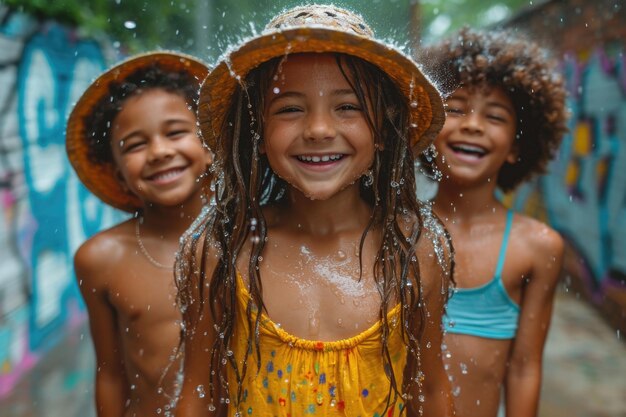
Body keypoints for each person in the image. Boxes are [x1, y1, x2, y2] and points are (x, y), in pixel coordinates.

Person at [174, 5, 455, 417]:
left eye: (348, 107)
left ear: (383, 129)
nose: (319, 129)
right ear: (257, 132)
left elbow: (429, 392)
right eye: (290, 108)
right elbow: (198, 396)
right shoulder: (223, 250)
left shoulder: (416, 251)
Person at [422, 28, 568, 417]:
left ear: (518, 146)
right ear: (426, 126)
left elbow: (524, 368)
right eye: (455, 108)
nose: (472, 124)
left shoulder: (537, 247)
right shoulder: (397, 231)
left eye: (496, 116)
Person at [66, 52, 211, 417]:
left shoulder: (256, 239)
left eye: (176, 132)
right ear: (117, 172)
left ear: (211, 144)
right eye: (135, 145)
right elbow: (110, 375)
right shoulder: (101, 258)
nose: (160, 152)